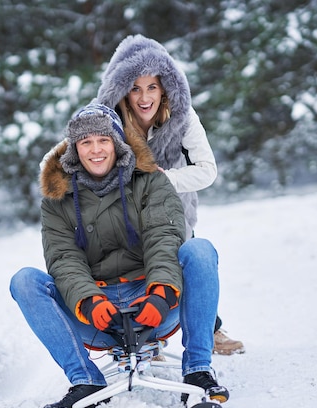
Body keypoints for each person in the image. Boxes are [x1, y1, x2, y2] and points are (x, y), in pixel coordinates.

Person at [10, 103, 229, 408]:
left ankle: (198, 369)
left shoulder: (151, 181)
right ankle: (85, 380)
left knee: (200, 250)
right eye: (86, 142)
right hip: (96, 313)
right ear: (74, 149)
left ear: (118, 142)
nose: (96, 150)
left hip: (154, 303)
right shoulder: (57, 199)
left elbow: (162, 238)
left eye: (103, 140)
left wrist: (162, 293)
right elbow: (63, 258)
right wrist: (89, 301)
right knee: (25, 281)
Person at [96, 34, 244, 355]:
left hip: (175, 210)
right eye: (135, 88)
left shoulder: (183, 115)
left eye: (152, 87)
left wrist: (165, 179)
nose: (144, 96)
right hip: (125, 212)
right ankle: (140, 334)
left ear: (164, 87)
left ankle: (209, 330)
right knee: (130, 267)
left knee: (188, 262)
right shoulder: (111, 122)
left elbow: (207, 170)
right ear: (123, 90)